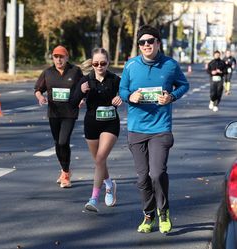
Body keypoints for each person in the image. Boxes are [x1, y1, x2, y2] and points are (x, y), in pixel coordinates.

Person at [119, 25, 189, 234]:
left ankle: (163, 211)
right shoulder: (131, 66)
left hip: (160, 128)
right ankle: (148, 215)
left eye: (151, 41)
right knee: (142, 178)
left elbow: (184, 85)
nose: (146, 45)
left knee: (157, 173)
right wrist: (129, 97)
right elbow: (122, 89)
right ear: (139, 45)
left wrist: (171, 97)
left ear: (158, 43)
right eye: (142, 42)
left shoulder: (170, 65)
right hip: (136, 129)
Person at [70, 48, 122, 212]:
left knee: (100, 158)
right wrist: (81, 92)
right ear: (92, 63)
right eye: (96, 63)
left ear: (108, 63)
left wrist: (121, 97)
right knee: (99, 161)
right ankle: (109, 184)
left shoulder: (115, 79)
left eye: (103, 63)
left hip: (110, 124)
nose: (99, 66)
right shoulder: (86, 80)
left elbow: (127, 93)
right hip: (91, 124)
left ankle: (93, 198)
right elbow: (72, 103)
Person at [34, 45, 83, 188]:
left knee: (63, 141)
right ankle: (64, 170)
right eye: (56, 57)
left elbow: (84, 87)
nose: (59, 59)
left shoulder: (75, 71)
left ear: (67, 57)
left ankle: (66, 174)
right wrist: (40, 97)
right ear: (53, 58)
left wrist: (82, 98)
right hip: (54, 113)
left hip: (70, 112)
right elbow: (38, 89)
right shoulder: (48, 72)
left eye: (61, 57)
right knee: (57, 143)